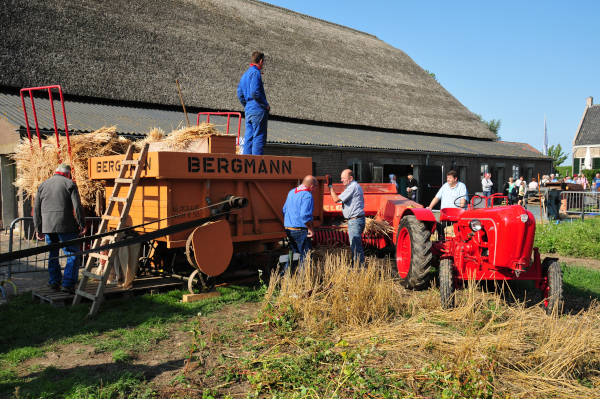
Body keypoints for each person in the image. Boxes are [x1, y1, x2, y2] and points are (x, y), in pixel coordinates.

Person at [33, 164, 86, 293]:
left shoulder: (43, 185)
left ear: (56, 172)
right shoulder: (70, 184)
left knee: (53, 254)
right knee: (72, 254)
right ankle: (67, 284)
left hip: (48, 227)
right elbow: (77, 207)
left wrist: (38, 228)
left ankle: (54, 282)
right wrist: (82, 224)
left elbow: (36, 210)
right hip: (66, 226)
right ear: (68, 174)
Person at [329, 169, 365, 264]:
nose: (341, 180)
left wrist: (330, 187)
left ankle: (358, 269)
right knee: (356, 246)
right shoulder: (355, 186)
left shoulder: (352, 187)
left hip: (355, 221)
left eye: (343, 178)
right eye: (341, 178)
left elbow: (336, 199)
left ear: (351, 178)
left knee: (356, 247)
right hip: (357, 220)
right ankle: (358, 267)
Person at [237, 51, 270, 155]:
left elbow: (240, 94)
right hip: (257, 108)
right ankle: (256, 165)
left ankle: (247, 164)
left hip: (249, 109)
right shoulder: (256, 73)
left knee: (249, 137)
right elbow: (255, 92)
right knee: (258, 136)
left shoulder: (245, 75)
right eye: (263, 62)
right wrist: (265, 104)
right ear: (260, 61)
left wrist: (246, 105)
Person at [282, 175, 317, 272]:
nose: (315, 190)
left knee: (293, 255)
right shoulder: (307, 195)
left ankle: (284, 278)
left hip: (289, 229)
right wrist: (310, 229)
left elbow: (284, 210)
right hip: (300, 230)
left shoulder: (292, 192)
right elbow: (304, 215)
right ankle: (303, 282)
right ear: (311, 186)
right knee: (305, 257)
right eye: (316, 187)